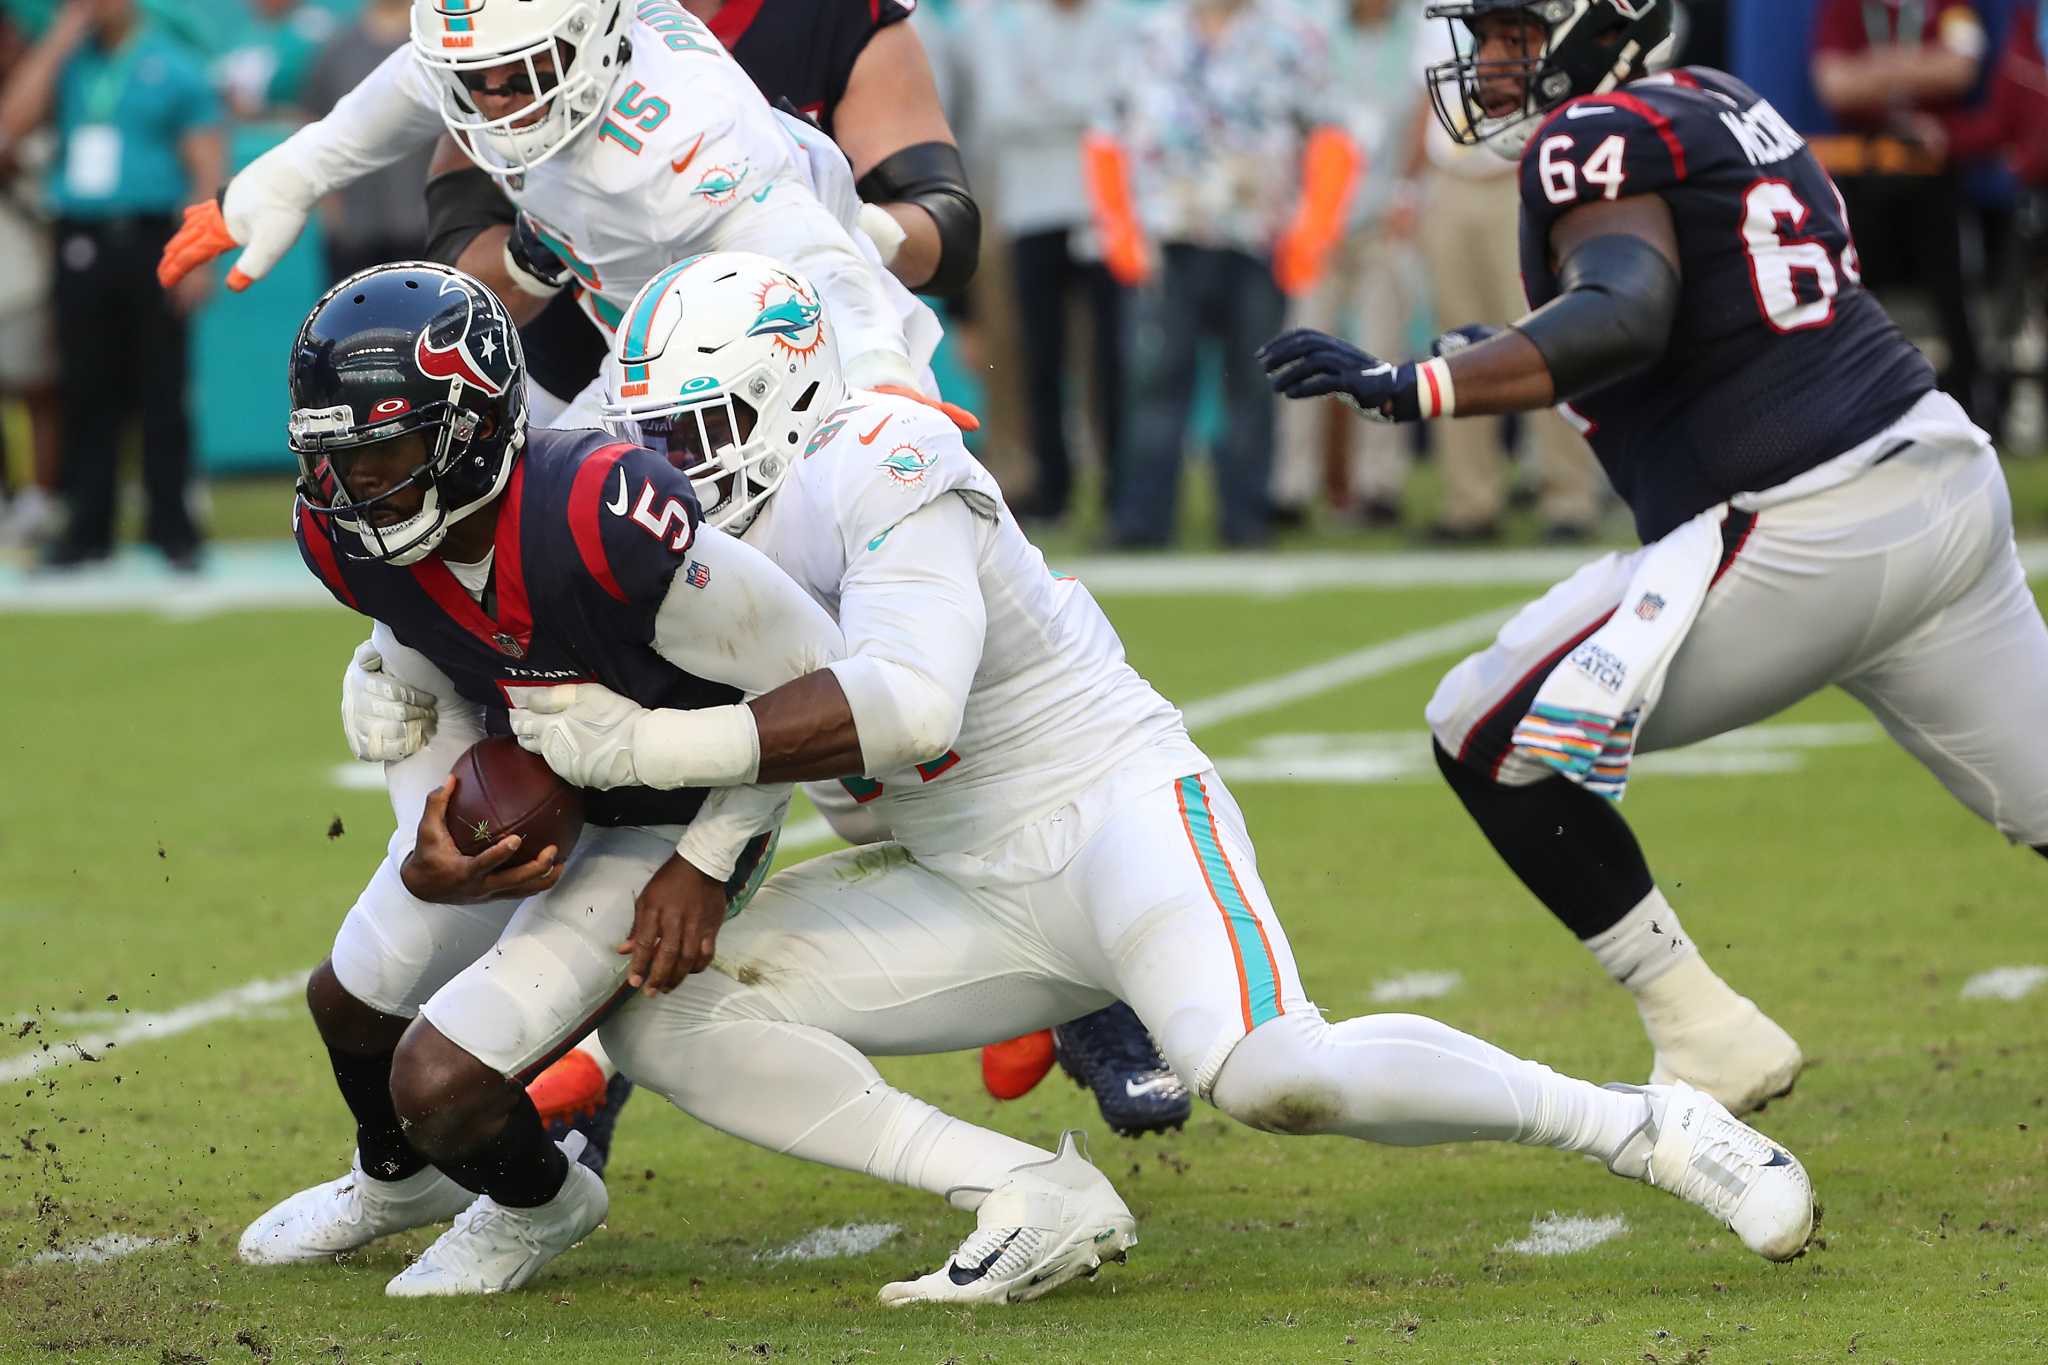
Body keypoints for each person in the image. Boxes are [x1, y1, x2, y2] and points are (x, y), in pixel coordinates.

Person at [499, 249, 1816, 1301]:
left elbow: (901, 704)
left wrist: (650, 753)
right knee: (660, 1014)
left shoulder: (888, 462)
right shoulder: (686, 518)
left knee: (1276, 1074)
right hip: (958, 879)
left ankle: (1647, 1126)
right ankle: (1030, 1195)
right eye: (655, 430)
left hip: (1111, 816)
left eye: (704, 424)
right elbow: (756, 695)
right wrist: (697, 846)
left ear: (790, 398)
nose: (672, 462)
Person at [258, 260, 1134, 1303]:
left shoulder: (596, 514)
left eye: (385, 455)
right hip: (552, 787)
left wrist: (707, 863)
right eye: (336, 461)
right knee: (348, 1004)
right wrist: (436, 831)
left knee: (439, 1079)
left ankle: (541, 1203)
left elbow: (807, 680)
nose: (355, 489)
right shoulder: (342, 535)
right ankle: (394, 1184)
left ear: (473, 430)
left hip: (672, 819)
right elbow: (421, 669)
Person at [1259, 0, 2048, 1117]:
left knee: (1480, 733)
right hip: (1937, 481)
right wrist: (1483, 354)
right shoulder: (1722, 103)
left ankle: (1700, 1027)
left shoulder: (1592, 140)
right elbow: (1702, 320)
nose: (1484, 64)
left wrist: (1416, 389)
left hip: (1802, 523)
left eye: (1510, 35)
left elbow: (1627, 313)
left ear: (1595, 28)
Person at [154, 0, 943, 432]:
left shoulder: (681, 124)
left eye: (521, 74)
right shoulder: (506, 44)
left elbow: (811, 251)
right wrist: (287, 176)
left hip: (806, 362)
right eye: (477, 77)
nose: (496, 98)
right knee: (536, 531)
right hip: (643, 359)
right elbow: (405, 91)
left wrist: (878, 371)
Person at [419, 0, 980, 438]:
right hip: (597, 384)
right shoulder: (517, 34)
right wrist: (536, 249)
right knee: (546, 531)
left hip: (792, 372)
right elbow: (459, 271)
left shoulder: (829, 15)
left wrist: (846, 231)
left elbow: (948, 230)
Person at [1083, 0, 1359, 549]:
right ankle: (1141, 522)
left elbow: (1333, 136)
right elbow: (1105, 137)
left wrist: (1312, 232)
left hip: (1257, 242)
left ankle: (1246, 519)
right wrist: (1119, 230)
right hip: (1167, 242)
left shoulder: (1292, 39)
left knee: (1254, 386)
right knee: (1155, 384)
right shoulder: (1148, 38)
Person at [0, 0, 220, 569]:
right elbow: (12, 125)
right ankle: (87, 528)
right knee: (84, 388)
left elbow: (204, 164)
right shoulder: (68, 61)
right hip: (79, 235)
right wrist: (61, 38)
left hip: (150, 236)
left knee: (162, 388)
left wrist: (200, 255)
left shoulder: (171, 63)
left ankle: (172, 525)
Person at [1810, 0, 1991, 423]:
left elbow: (1960, 69)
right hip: (1862, 174)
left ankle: (1973, 410)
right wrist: (1919, 67)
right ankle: (1855, 409)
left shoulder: (1948, 6)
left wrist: (1873, 70)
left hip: (1935, 174)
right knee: (1856, 296)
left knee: (1954, 302)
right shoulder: (1844, 7)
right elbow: (1834, 84)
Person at [298, 0, 429, 285]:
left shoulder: (435, 44)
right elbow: (314, 122)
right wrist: (331, 210)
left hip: (426, 228)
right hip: (354, 230)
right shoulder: (338, 48)